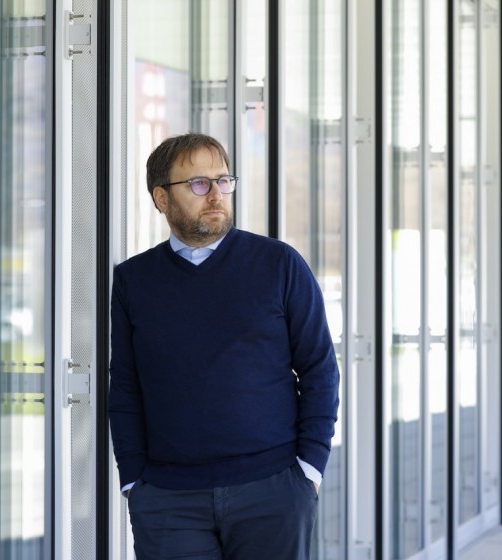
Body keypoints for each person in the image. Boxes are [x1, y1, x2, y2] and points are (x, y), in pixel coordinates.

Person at [108, 132, 340, 559]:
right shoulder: (133, 281)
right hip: (168, 500)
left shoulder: (279, 264)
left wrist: (309, 468)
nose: (216, 194)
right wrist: (133, 481)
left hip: (272, 491)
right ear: (162, 198)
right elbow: (124, 386)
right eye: (198, 183)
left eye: (223, 181)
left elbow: (319, 368)